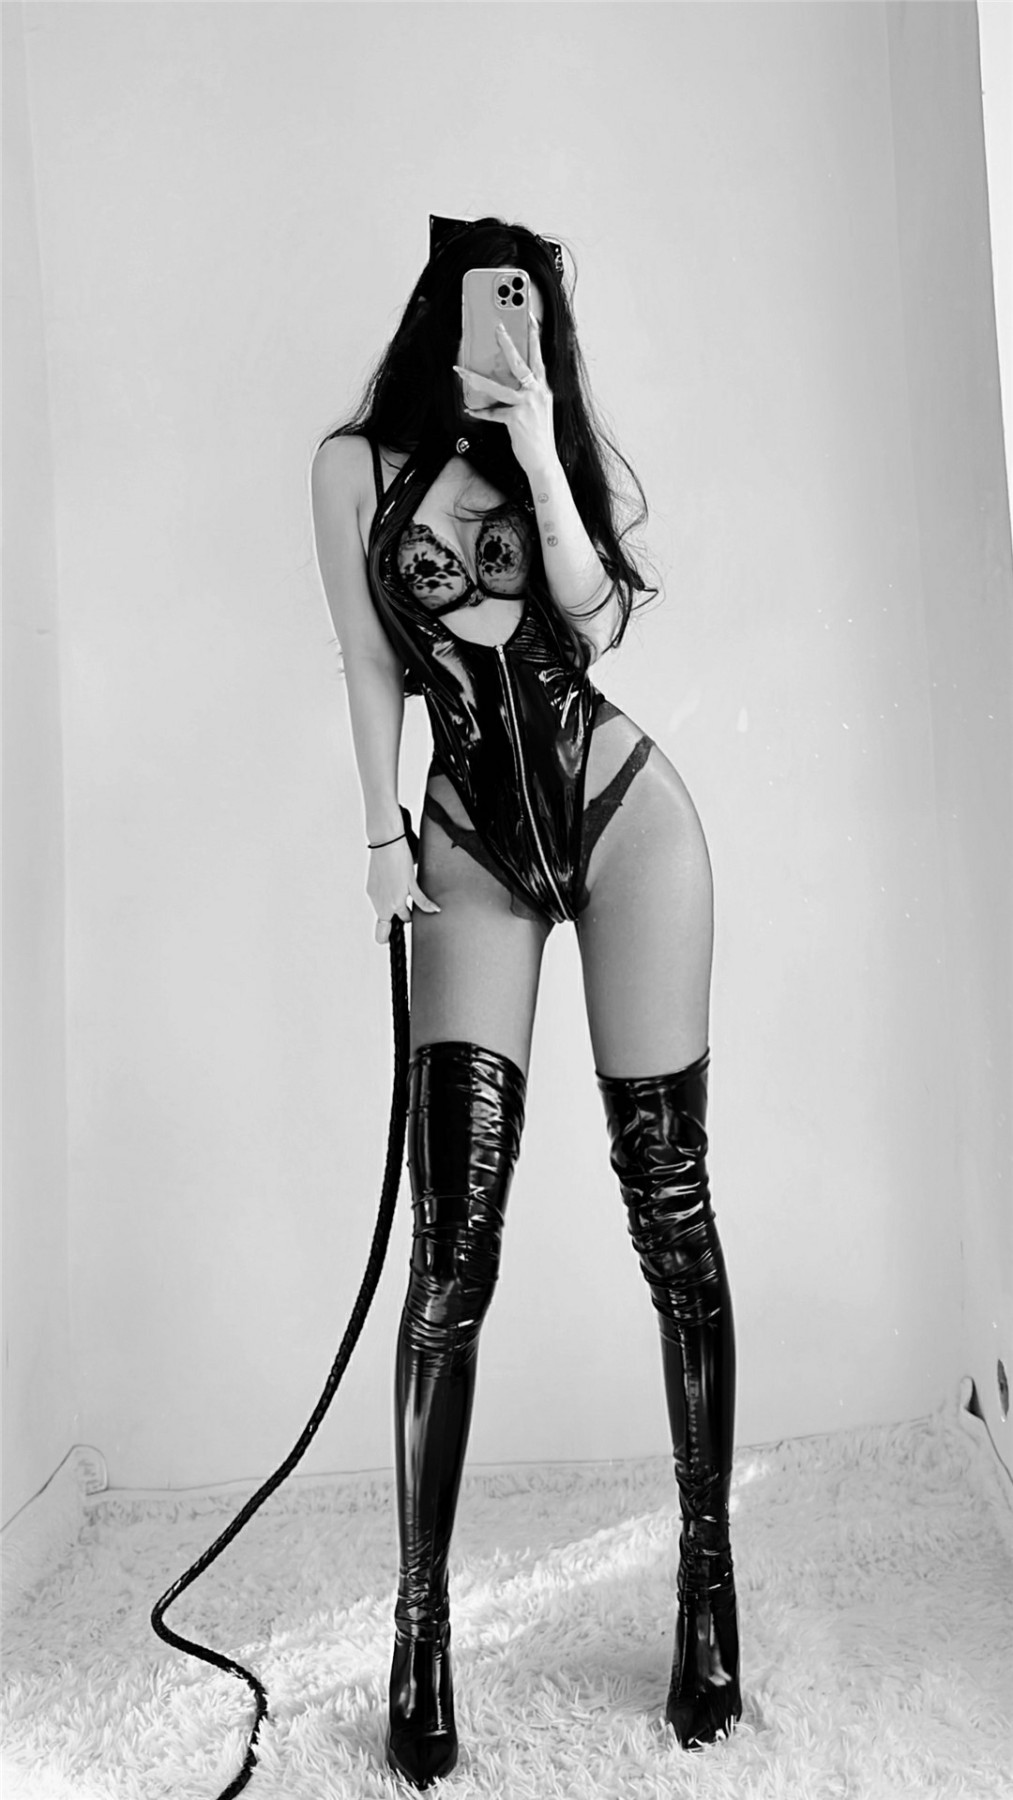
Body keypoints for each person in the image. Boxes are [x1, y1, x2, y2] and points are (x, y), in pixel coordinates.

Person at [310, 215, 740, 1789]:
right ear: (439, 310)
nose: (509, 324)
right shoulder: (352, 468)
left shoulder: (545, 450)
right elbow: (370, 664)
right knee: (452, 1247)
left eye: (532, 307)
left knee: (668, 1205)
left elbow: (591, 612)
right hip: (468, 846)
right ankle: (418, 1629)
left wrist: (542, 443)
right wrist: (380, 842)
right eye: (491, 303)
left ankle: (706, 1586)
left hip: (626, 821)